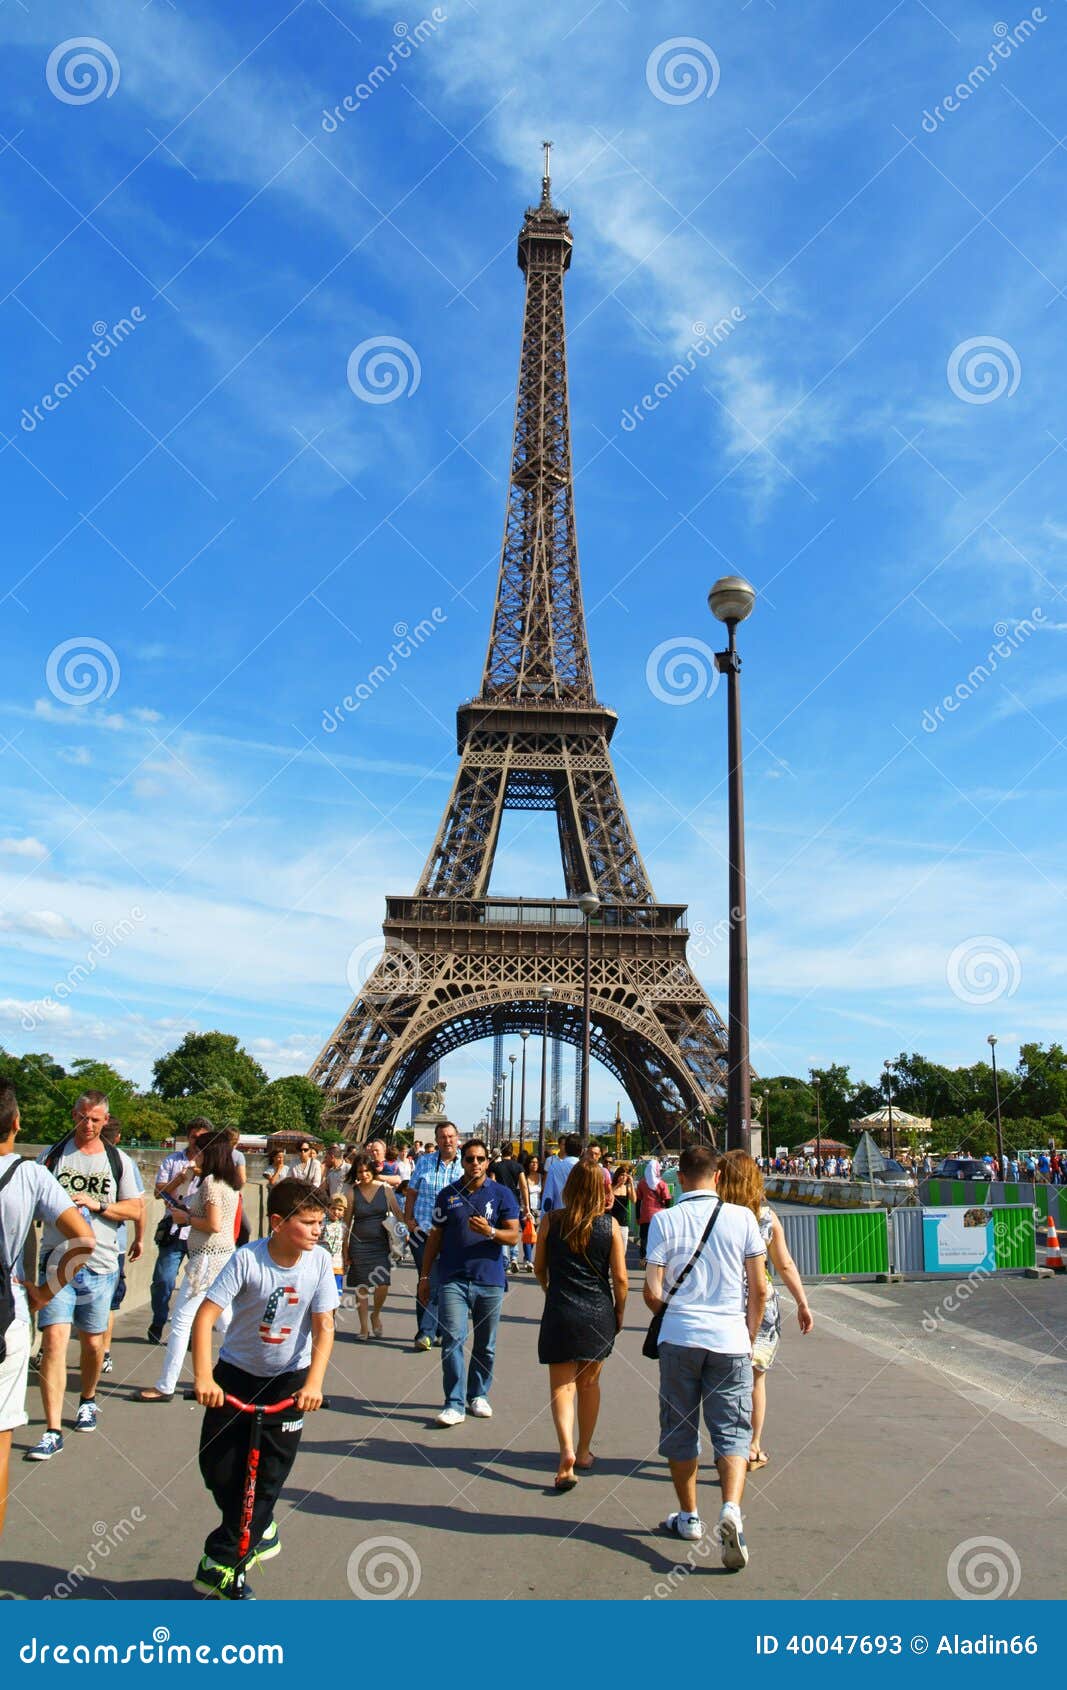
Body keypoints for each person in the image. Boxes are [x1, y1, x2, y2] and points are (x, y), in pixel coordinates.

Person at [190, 1180, 337, 1599]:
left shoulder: (320, 1262)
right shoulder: (246, 1261)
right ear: (277, 1222)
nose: (317, 1231)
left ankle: (223, 1565)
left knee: (268, 1478)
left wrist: (314, 1384)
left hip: (289, 1382)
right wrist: (203, 1377)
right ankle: (260, 1527)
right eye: (308, 1223)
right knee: (217, 1469)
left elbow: (324, 1327)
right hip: (235, 1375)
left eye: (321, 1223)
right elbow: (205, 1318)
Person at [644, 1144, 767, 1571]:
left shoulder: (663, 1220)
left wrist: (675, 1314)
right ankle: (730, 1509)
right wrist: (747, 1335)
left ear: (679, 1178)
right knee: (732, 1430)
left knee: (680, 1428)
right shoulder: (744, 1218)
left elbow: (651, 1291)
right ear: (718, 1176)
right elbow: (762, 1289)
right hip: (731, 1339)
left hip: (680, 1338)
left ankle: (690, 1516)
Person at [30, 1091, 143, 1454]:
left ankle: (87, 1398)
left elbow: (136, 1208)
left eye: (95, 1119)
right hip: (56, 1260)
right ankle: (51, 1429)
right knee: (53, 1344)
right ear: (73, 1114)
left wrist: (99, 1205)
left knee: (93, 1344)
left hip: (101, 1263)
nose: (88, 1125)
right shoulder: (50, 1157)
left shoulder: (119, 1161)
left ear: (106, 1120)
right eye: (82, 1117)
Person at [0, 1084, 93, 1517]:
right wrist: (42, 1293)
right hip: (8, 1313)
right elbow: (84, 1241)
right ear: (17, 1123)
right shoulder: (30, 1175)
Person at [716, 1150, 813, 1469]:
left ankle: (726, 1448)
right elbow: (784, 1263)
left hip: (723, 1304)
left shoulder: (714, 1214)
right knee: (756, 1380)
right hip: (762, 1305)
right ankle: (753, 1447)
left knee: (723, 1382)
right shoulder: (766, 1217)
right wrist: (802, 1301)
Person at [535, 1161, 627, 1488]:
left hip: (560, 1308)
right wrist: (619, 1312)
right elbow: (620, 1279)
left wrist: (552, 1290)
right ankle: (585, 1450)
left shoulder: (550, 1221)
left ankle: (565, 1454)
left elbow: (538, 1268)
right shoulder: (610, 1226)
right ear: (602, 1190)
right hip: (598, 1311)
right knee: (589, 1384)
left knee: (562, 1386)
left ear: (568, 1187)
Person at [418, 1139, 520, 1426]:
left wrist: (490, 1231)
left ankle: (478, 1395)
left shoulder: (502, 1195)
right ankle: (453, 1402)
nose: (475, 1164)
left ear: (488, 1162)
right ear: (462, 1162)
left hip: (489, 1279)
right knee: (452, 1340)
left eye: (480, 1159)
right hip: (453, 1278)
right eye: (470, 1159)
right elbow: (434, 1238)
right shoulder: (447, 1195)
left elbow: (514, 1236)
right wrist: (425, 1277)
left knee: (485, 1344)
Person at [135, 1129, 242, 1402]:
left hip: (206, 1258)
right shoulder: (225, 1183)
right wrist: (184, 1180)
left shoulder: (210, 1185)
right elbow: (171, 1200)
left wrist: (186, 1219)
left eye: (200, 1151)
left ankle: (165, 1385)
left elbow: (213, 1225)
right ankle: (240, 1378)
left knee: (182, 1321)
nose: (195, 1155)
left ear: (210, 1154)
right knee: (226, 1322)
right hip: (223, 1257)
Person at [403, 1121, 464, 1351]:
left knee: (440, 1281)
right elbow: (412, 1191)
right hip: (423, 1232)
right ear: (436, 1140)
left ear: (457, 1138)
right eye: (442, 1137)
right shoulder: (424, 1161)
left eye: (450, 1136)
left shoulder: (465, 1166)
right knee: (427, 1278)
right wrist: (409, 1220)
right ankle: (428, 1331)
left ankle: (430, 1330)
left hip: (451, 1235)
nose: (447, 1140)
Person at [99, 1121, 145, 1376]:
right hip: (113, 1245)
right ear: (117, 1137)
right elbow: (139, 1207)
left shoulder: (65, 1153)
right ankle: (104, 1351)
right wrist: (139, 1238)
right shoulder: (124, 1160)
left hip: (77, 1244)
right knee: (108, 1303)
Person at [344, 1152, 404, 1340]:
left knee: (382, 1284)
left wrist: (404, 1234)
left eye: (366, 1170)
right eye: (360, 1171)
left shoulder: (385, 1189)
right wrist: (345, 1250)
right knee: (361, 1287)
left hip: (380, 1244)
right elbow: (346, 1224)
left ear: (372, 1170)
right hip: (358, 1244)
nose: (363, 1174)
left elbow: (398, 1214)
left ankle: (375, 1314)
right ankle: (363, 1328)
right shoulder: (352, 1192)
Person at [148, 1125, 197, 1343]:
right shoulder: (173, 1160)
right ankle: (159, 1320)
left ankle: (192, 1333)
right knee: (163, 1280)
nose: (197, 1142)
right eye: (194, 1137)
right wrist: (178, 1181)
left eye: (202, 1138)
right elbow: (158, 1192)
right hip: (174, 1229)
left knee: (197, 1285)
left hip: (199, 1231)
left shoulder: (212, 1165)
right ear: (188, 1137)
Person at [494, 1143, 530, 1274]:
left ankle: (505, 1262)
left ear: (501, 1152)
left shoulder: (496, 1166)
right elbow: (524, 1187)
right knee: (513, 1229)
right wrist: (527, 1206)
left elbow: (492, 1183)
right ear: (512, 1151)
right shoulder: (518, 1166)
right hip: (514, 1200)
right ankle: (514, 1257)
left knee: (502, 1230)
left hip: (498, 1201)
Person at [637, 1159, 671, 1264]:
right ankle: (657, 1259)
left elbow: (638, 1200)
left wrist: (637, 1216)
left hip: (645, 1214)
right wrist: (667, 1211)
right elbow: (667, 1199)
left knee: (644, 1238)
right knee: (658, 1238)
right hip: (659, 1215)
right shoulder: (661, 1184)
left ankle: (643, 1258)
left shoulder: (642, 1183)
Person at [541, 1134, 581, 1214]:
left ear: (565, 1148)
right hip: (581, 1217)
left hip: (559, 1215)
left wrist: (544, 1219)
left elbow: (548, 1197)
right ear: (582, 1150)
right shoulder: (588, 1169)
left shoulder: (554, 1168)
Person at [321, 1196, 347, 1293]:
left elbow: (344, 1244)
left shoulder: (344, 1226)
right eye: (333, 1208)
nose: (336, 1212)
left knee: (337, 1294)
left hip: (337, 1264)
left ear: (344, 1211)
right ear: (327, 1208)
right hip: (323, 1264)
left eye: (340, 1209)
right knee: (324, 1292)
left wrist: (346, 1258)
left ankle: (335, 1308)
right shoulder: (322, 1223)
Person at [521, 1154, 543, 1271]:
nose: (534, 1164)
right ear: (528, 1164)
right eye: (532, 1162)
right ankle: (529, 1260)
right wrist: (526, 1208)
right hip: (525, 1209)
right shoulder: (524, 1176)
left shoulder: (541, 1177)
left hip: (538, 1209)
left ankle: (526, 1258)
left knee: (533, 1235)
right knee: (527, 1233)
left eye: (536, 1162)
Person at [610, 1163, 636, 1252]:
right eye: (622, 1175)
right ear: (617, 1175)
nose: (623, 1177)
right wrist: (617, 1185)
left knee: (623, 1248)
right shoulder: (611, 1186)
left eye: (625, 1175)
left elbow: (634, 1200)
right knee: (611, 1248)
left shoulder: (627, 1189)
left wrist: (631, 1183)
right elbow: (607, 1197)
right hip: (611, 1222)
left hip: (623, 1223)